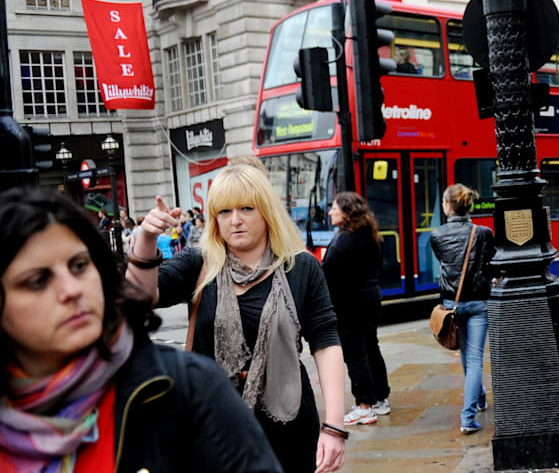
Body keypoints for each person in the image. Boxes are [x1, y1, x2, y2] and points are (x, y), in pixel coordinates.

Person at [0, 188, 285, 473]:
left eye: (79, 265)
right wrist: (147, 239)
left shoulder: (188, 388)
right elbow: (148, 294)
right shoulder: (198, 260)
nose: (72, 290)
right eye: (38, 281)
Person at [125, 166, 348, 473]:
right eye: (224, 211)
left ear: (266, 211)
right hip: (211, 423)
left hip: (289, 425)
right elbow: (139, 298)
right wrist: (146, 239)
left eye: (246, 208)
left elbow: (326, 342)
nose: (235, 220)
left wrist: (334, 426)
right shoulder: (199, 262)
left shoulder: (300, 267)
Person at [428, 184, 497, 435]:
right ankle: (469, 415)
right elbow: (492, 262)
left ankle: (476, 402)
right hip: (478, 302)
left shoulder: (437, 236)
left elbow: (446, 264)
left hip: (452, 305)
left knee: (467, 359)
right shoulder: (483, 233)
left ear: (448, 206)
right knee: (474, 357)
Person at [322, 192, 391, 426]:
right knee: (371, 347)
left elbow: (327, 273)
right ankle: (380, 398)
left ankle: (364, 406)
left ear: (346, 212)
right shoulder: (371, 235)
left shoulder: (342, 240)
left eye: (334, 208)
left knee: (354, 354)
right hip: (371, 299)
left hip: (348, 304)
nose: (330, 212)